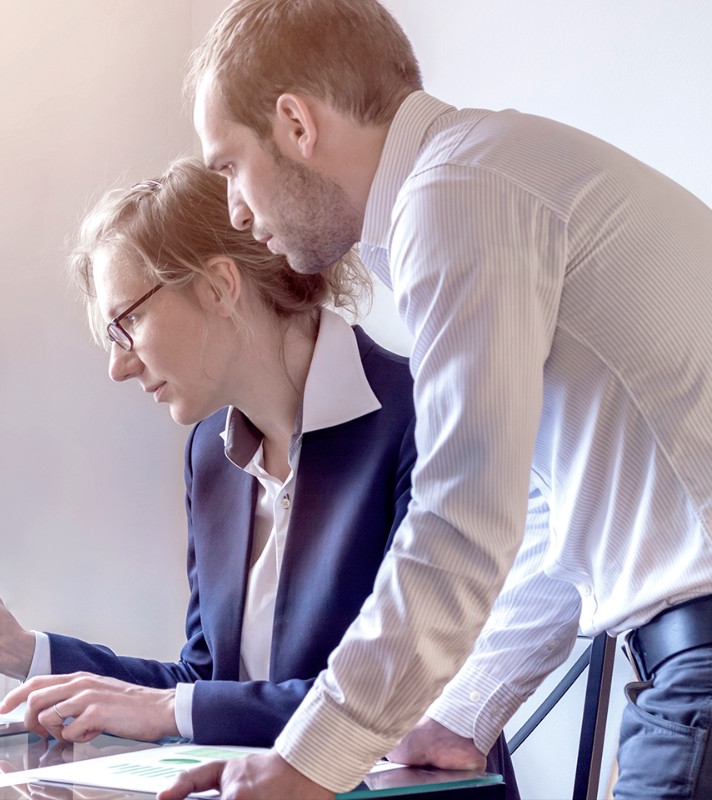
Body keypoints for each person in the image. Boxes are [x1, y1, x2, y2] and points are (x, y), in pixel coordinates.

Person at [163, 1, 712, 799]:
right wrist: (463, 713)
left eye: (229, 168)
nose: (237, 213)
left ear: (294, 123)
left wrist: (313, 759)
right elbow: (550, 515)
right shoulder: (489, 171)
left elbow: (462, 517)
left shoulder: (457, 195)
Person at [0, 157, 518, 795]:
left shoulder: (425, 417)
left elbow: (403, 704)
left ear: (219, 286)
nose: (118, 366)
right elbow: (207, 682)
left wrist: (172, 710)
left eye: (128, 324)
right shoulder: (211, 452)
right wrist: (27, 652)